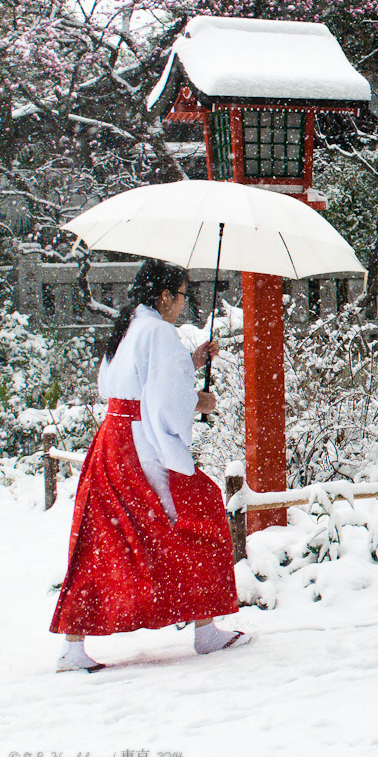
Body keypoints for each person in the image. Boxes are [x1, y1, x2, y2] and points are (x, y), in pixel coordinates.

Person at [51, 259, 250, 672]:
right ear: (163, 296)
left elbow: (133, 382)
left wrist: (190, 362)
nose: (183, 303)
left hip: (113, 441)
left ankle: (76, 643)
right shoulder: (159, 331)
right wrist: (200, 401)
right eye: (181, 295)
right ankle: (205, 626)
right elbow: (164, 400)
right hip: (141, 447)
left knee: (105, 538)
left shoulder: (130, 326)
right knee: (199, 517)